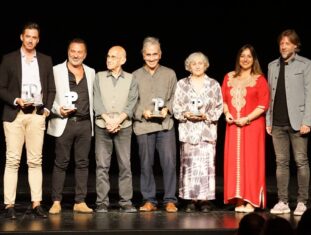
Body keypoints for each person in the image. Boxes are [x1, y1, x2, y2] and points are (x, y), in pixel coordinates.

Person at [0, 22, 55, 219]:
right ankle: (9, 205)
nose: (31, 40)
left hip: (36, 116)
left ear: (38, 39)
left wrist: (46, 110)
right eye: (28, 36)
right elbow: (2, 88)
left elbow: (50, 88)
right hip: (14, 115)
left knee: (35, 161)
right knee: (13, 160)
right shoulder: (9, 59)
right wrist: (16, 100)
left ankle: (36, 203)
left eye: (34, 37)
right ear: (21, 37)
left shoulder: (46, 60)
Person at [266, 29, 311, 216]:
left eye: (287, 43)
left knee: (301, 161)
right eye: (281, 43)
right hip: (277, 122)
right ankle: (283, 201)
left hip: (298, 122)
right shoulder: (272, 66)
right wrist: (268, 119)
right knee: (281, 162)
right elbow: (269, 96)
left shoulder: (306, 64)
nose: (283, 46)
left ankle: (302, 201)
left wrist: (307, 121)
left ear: (295, 45)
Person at [47, 38, 95, 214]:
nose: (76, 55)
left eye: (79, 52)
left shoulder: (91, 72)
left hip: (84, 124)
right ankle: (56, 201)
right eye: (73, 51)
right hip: (64, 123)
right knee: (61, 163)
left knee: (83, 163)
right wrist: (57, 109)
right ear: (68, 52)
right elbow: (48, 96)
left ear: (85, 54)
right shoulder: (55, 70)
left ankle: (80, 201)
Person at [222, 44, 270, 213]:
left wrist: (247, 118)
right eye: (242, 56)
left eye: (249, 56)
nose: (245, 59)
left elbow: (264, 104)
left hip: (252, 126)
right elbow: (224, 100)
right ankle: (239, 199)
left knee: (251, 162)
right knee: (235, 162)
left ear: (254, 59)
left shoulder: (260, 79)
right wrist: (227, 113)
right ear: (238, 58)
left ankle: (252, 201)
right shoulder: (228, 77)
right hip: (233, 127)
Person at [173, 52, 223, 213]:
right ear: (189, 66)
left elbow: (219, 106)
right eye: (193, 63)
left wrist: (207, 116)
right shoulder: (182, 84)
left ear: (205, 65)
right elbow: (176, 106)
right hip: (188, 131)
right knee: (189, 167)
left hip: (206, 131)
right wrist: (185, 114)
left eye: (200, 63)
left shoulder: (214, 84)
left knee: (206, 166)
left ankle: (205, 200)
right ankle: (190, 199)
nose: (197, 66)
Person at [132, 36, 178, 213]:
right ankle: (149, 199)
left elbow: (176, 96)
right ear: (143, 55)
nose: (151, 58)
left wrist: (168, 108)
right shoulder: (135, 75)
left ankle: (170, 200)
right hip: (144, 126)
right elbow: (131, 101)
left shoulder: (170, 73)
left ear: (160, 54)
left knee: (169, 163)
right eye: (148, 54)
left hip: (165, 125)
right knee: (145, 164)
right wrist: (141, 112)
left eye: (155, 54)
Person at [93, 45, 138, 213]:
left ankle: (126, 202)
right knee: (102, 166)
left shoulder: (131, 78)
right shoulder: (99, 77)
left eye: (113, 57)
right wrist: (107, 120)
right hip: (102, 126)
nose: (109, 59)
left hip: (123, 126)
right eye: (108, 56)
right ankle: (102, 202)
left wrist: (118, 120)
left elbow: (132, 102)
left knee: (125, 165)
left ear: (123, 60)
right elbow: (96, 100)